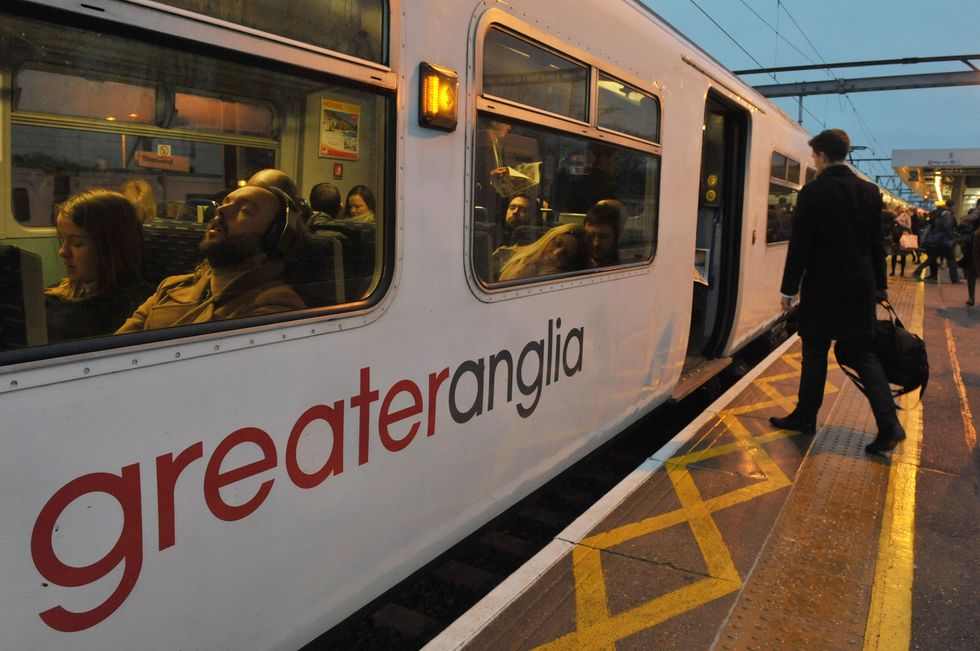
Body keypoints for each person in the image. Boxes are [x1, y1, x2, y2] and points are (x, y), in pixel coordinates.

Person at [771, 128, 904, 455]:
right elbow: (877, 246)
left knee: (814, 353)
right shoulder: (870, 192)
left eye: (814, 156)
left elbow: (800, 246)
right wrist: (881, 286)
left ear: (822, 156)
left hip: (822, 288)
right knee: (863, 354)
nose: (814, 162)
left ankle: (805, 416)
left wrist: (789, 289)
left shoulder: (812, 193)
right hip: (860, 288)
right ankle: (890, 425)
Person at [117, 184, 305, 332]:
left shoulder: (276, 306)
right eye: (226, 202)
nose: (221, 210)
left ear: (271, 241)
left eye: (246, 210)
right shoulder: (170, 287)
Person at [45, 189, 154, 342]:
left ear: (112, 247)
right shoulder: (53, 295)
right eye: (63, 240)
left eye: (77, 243)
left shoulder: (133, 307)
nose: (62, 251)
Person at [495, 223, 586, 281]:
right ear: (549, 238)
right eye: (557, 244)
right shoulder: (502, 256)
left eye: (566, 255)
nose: (556, 253)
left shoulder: (561, 283)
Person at [584, 199, 623, 268]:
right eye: (591, 236)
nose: (596, 243)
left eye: (603, 237)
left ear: (617, 237)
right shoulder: (576, 263)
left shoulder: (628, 263)